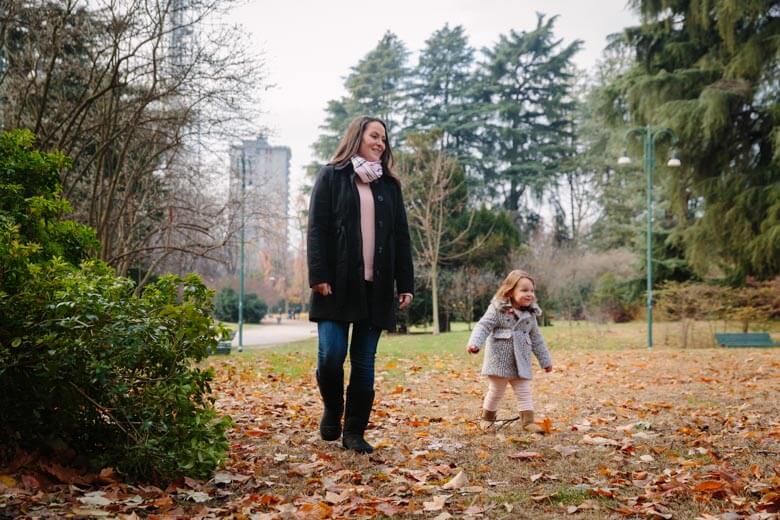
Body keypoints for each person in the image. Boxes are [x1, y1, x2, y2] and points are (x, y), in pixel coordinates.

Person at [307, 115, 414, 453]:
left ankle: (353, 432)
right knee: (331, 355)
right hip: (336, 284)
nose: (381, 143)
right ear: (358, 137)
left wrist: (405, 281)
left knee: (364, 362)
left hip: (377, 287)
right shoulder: (331, 176)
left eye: (384, 138)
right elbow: (317, 228)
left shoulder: (389, 186)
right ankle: (332, 408)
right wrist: (318, 275)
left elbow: (400, 237)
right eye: (375, 136)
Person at [466, 270, 552, 433]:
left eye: (532, 291)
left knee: (524, 391)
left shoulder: (530, 315)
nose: (530, 294)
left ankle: (528, 422)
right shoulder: (498, 309)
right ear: (511, 291)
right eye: (524, 290)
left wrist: (545, 361)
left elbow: (537, 339)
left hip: (521, 362)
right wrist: (475, 343)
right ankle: (487, 419)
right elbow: (483, 326)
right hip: (500, 361)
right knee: (496, 391)